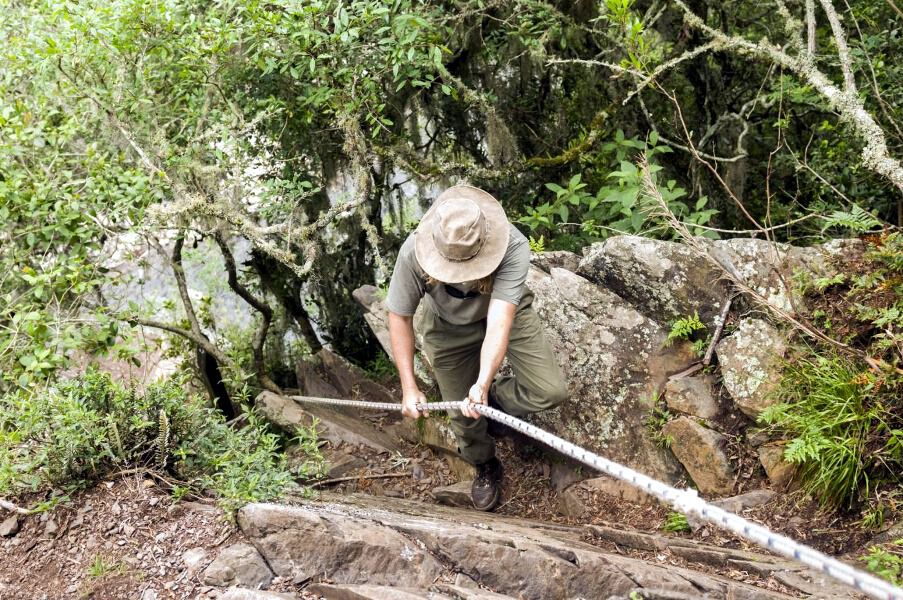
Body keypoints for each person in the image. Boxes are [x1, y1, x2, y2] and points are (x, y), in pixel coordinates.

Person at [386, 184, 568, 512]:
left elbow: (500, 320)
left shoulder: (512, 245)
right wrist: (408, 388)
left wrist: (483, 385)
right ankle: (485, 464)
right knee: (463, 418)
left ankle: (495, 405)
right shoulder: (412, 253)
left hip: (503, 311)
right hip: (445, 327)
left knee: (549, 390)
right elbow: (399, 316)